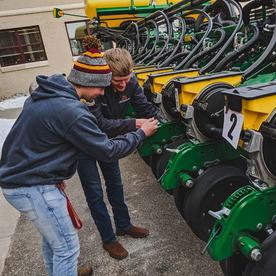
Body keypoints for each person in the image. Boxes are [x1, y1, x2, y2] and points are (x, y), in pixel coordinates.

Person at [0, 42, 158, 276]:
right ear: (93, 81)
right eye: (104, 86)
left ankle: (118, 229)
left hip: (36, 176)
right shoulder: (73, 109)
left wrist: (51, 173)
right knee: (68, 244)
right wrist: (139, 131)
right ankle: (104, 242)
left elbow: (41, 142)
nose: (104, 93)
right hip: (37, 180)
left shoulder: (55, 93)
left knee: (55, 241)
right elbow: (105, 142)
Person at [77, 45, 159, 260]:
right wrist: (135, 124)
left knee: (115, 184)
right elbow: (101, 124)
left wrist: (163, 120)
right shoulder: (94, 89)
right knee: (95, 193)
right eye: (117, 81)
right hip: (85, 145)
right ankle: (109, 239)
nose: (123, 85)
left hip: (109, 143)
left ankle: (123, 225)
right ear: (106, 76)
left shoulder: (130, 82)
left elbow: (144, 107)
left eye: (127, 79)